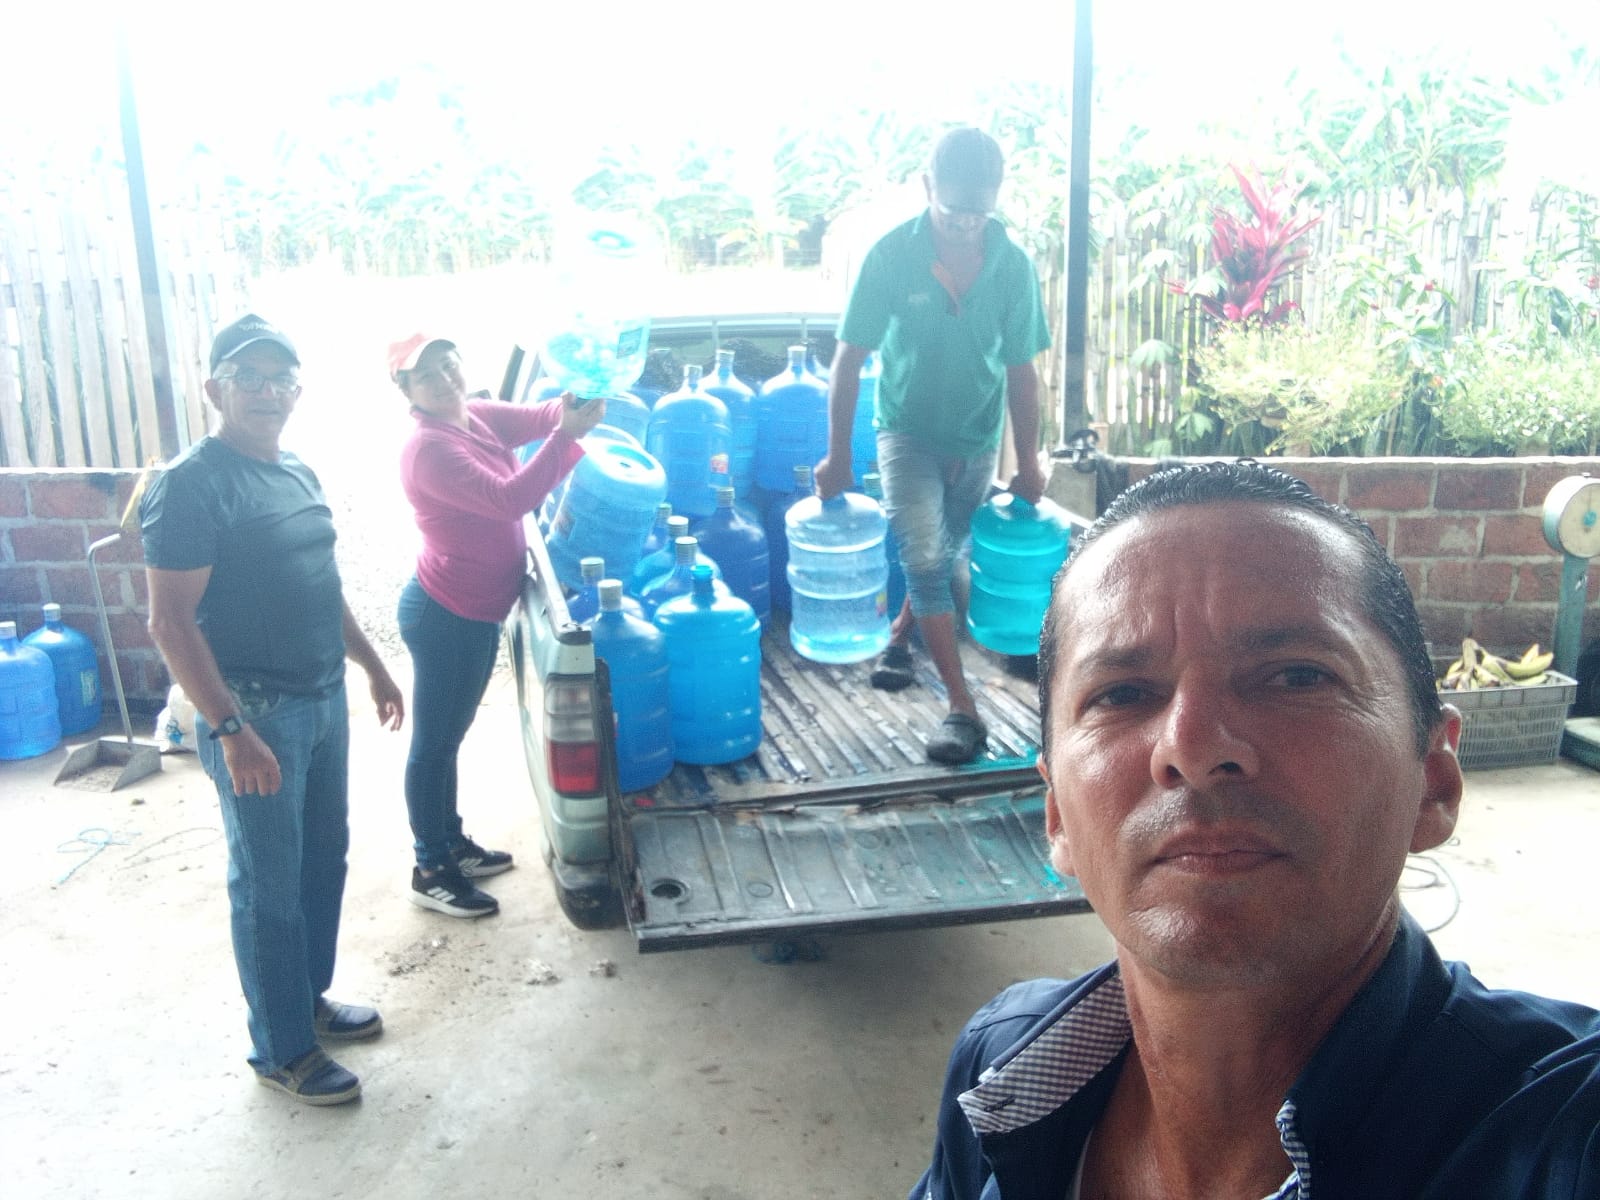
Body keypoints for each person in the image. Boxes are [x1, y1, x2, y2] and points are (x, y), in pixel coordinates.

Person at [911, 460, 1600, 1198]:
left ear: (1433, 780)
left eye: (1297, 676)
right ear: (1057, 816)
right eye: (1122, 693)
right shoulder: (999, 1069)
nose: (1193, 746)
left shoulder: (1562, 1136)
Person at [141, 314, 406, 1107]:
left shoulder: (295, 470)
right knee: (268, 883)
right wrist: (230, 729)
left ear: (298, 392)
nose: (266, 393)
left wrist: (372, 664)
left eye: (280, 380)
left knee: (323, 860)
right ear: (213, 388)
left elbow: (320, 583)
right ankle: (281, 1048)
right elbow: (169, 623)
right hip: (255, 713)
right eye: (248, 379)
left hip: (321, 700)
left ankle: (306, 1002)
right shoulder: (191, 485)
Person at [814, 125, 1051, 766]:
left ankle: (900, 637)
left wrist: (1029, 461)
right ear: (926, 188)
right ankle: (962, 708)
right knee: (923, 555)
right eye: (953, 211)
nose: (967, 225)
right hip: (906, 432)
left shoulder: (1012, 267)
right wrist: (838, 455)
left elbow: (1022, 372)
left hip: (976, 435)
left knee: (944, 555)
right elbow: (849, 360)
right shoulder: (892, 256)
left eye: (979, 213)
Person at [389, 333, 605, 919]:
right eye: (426, 375)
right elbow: (510, 498)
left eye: (448, 364)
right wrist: (566, 437)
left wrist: (573, 405)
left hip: (475, 611)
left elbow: (539, 415)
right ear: (406, 391)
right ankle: (430, 869)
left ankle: (450, 842)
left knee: (449, 738)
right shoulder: (428, 449)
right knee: (434, 745)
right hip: (446, 615)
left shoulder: (475, 415)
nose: (444, 379)